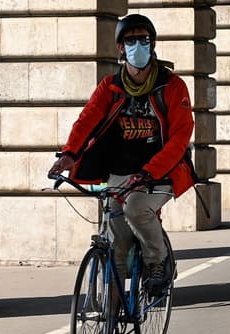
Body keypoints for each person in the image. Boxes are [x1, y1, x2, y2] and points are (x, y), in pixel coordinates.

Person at [48, 14, 195, 296]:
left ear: (153, 45)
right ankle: (109, 328)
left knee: (136, 208)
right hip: (120, 172)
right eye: (130, 40)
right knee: (114, 245)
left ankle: (158, 261)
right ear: (120, 47)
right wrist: (68, 155)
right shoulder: (110, 87)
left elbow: (179, 138)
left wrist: (148, 172)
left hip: (160, 172)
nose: (137, 45)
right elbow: (86, 120)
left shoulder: (173, 86)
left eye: (144, 40)